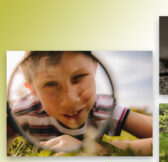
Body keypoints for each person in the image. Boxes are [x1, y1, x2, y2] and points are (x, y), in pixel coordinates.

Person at [8, 51, 152, 156]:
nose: (71, 100)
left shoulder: (104, 109)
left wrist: (101, 149)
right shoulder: (22, 112)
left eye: (79, 77)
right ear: (33, 90)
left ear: (95, 68)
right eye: (51, 84)